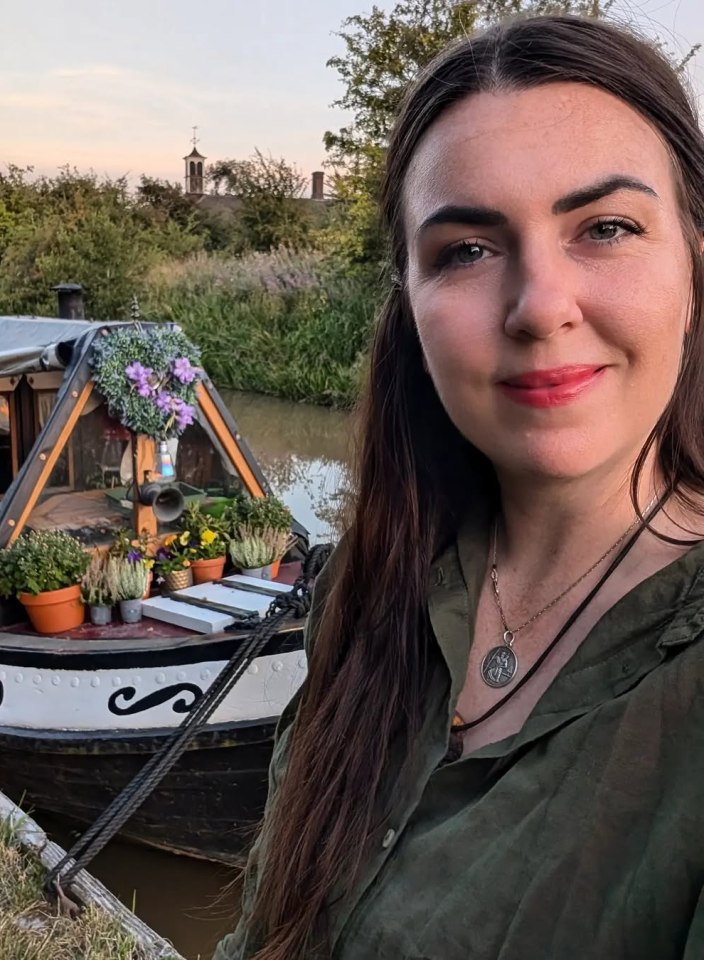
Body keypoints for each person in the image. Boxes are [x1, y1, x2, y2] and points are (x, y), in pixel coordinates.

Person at [214, 14, 704, 960]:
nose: (541, 307)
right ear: (409, 300)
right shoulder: (377, 575)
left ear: (692, 261)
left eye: (606, 228)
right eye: (468, 250)